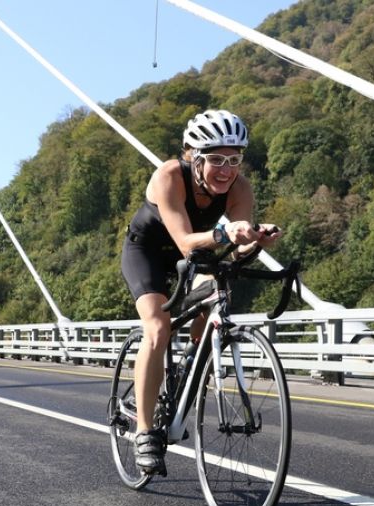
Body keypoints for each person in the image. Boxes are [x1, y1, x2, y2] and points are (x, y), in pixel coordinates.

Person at [120, 109, 282, 476]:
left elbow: (237, 250)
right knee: (158, 328)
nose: (226, 170)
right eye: (216, 160)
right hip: (148, 252)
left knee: (217, 298)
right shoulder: (168, 177)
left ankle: (191, 361)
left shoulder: (240, 188)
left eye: (234, 160)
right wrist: (226, 233)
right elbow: (184, 241)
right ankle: (144, 431)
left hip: (196, 254)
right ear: (194, 158)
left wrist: (256, 239)